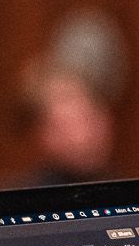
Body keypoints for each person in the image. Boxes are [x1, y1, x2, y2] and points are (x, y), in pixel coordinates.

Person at [14, 56, 117, 187]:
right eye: (72, 123)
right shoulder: (28, 200)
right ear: (39, 132)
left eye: (91, 117)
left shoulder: (134, 192)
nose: (87, 135)